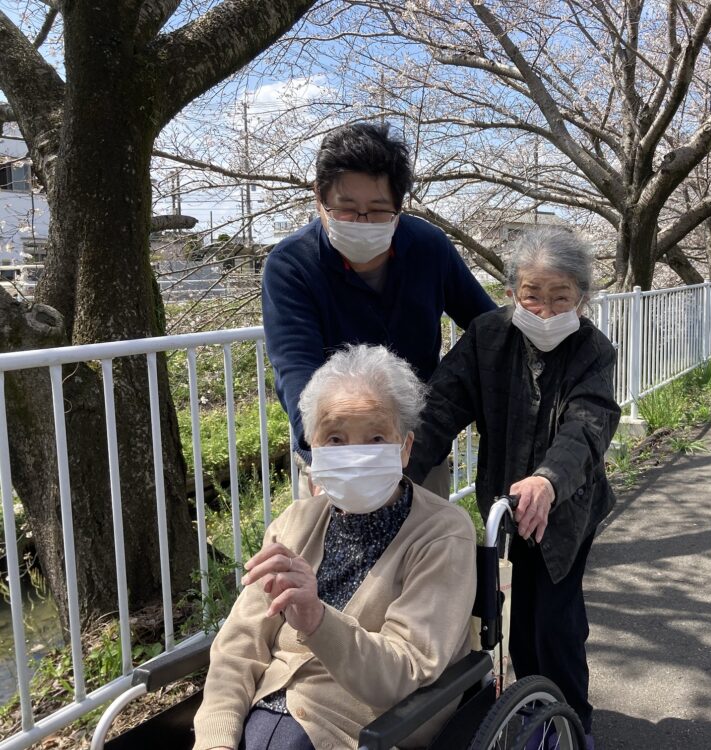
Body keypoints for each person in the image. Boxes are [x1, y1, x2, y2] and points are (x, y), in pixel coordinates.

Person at [193, 344, 477, 750]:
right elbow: (240, 645)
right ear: (313, 449)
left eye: (376, 437)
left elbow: (408, 671)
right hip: (264, 713)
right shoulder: (295, 523)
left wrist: (315, 621)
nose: (356, 455)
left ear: (406, 447)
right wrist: (216, 739)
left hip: (366, 726)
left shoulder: (442, 535)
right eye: (335, 439)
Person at [406, 228, 620, 749]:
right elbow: (441, 407)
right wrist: (396, 467)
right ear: (512, 291)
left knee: (554, 620)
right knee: (520, 617)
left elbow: (587, 425)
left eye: (560, 296)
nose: (545, 310)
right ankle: (533, 707)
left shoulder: (593, 348)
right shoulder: (487, 337)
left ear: (582, 296)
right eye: (532, 295)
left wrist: (549, 480)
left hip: (566, 507)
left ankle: (574, 722)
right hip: (508, 501)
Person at [262, 122, 496, 498]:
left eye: (377, 210)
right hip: (334, 453)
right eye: (347, 210)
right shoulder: (291, 265)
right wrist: (320, 456)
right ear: (319, 198)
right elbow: (295, 368)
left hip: (414, 446)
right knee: (331, 553)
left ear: (399, 207)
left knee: (427, 546)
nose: (362, 222)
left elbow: (487, 326)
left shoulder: (429, 248)